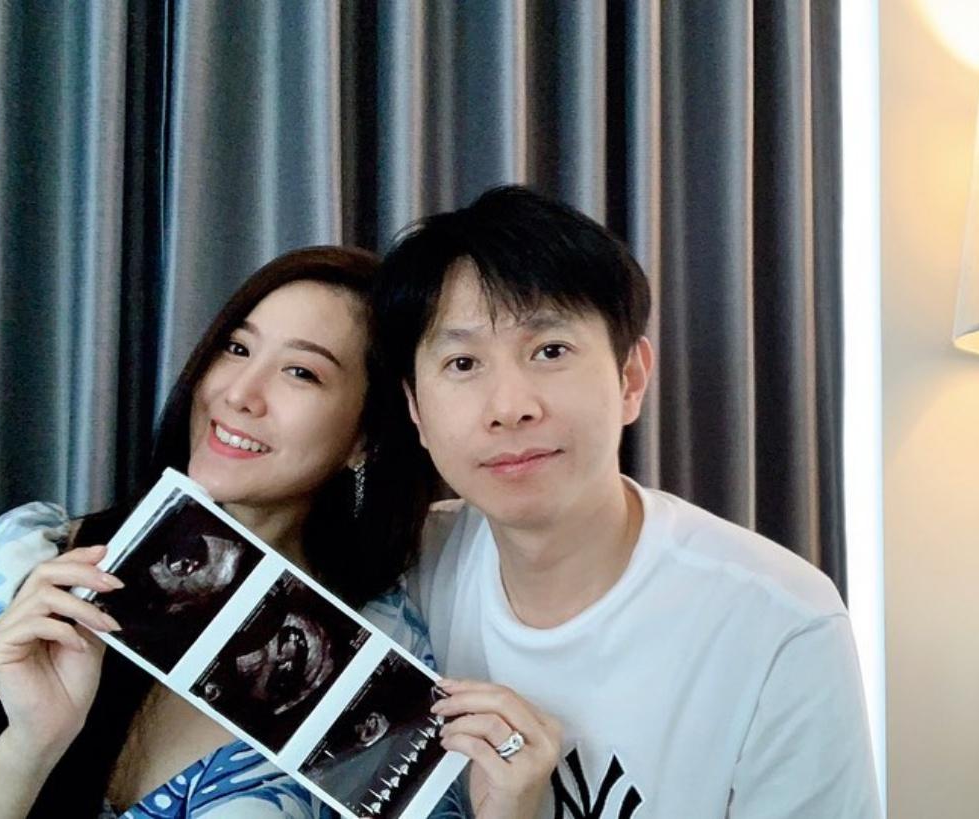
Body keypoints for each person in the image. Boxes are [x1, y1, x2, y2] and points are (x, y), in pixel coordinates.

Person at [0, 247, 485, 818]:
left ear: (366, 437)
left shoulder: (377, 663)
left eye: (300, 372)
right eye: (236, 347)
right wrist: (26, 748)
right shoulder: (27, 562)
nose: (239, 393)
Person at [372, 186, 883, 817]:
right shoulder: (404, 574)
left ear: (631, 379)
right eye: (462, 363)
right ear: (416, 410)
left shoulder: (779, 623)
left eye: (549, 351)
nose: (509, 407)